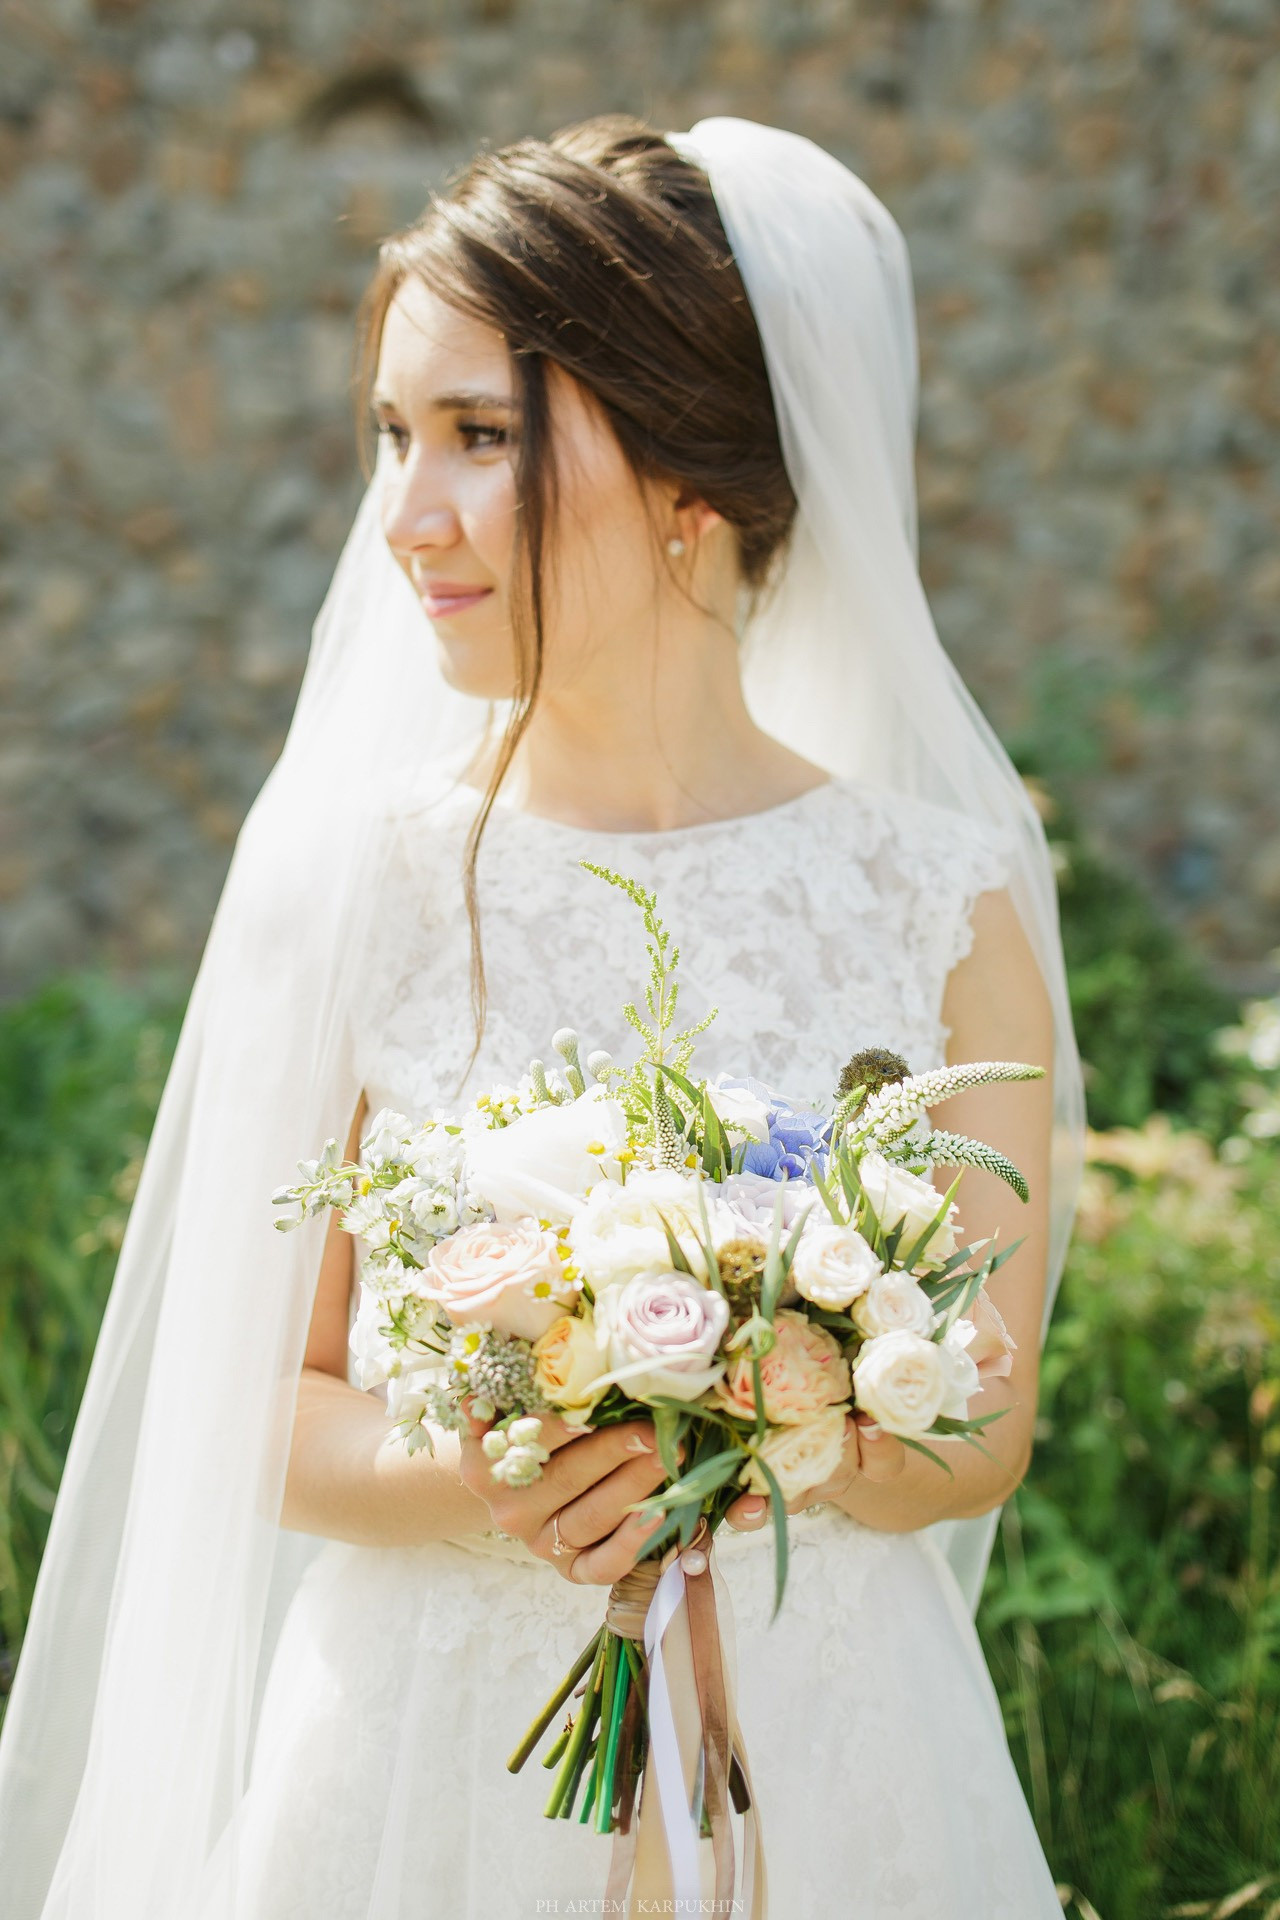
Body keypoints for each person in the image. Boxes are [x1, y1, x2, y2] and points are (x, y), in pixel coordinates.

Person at [0, 113, 1086, 1918]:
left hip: (840, 1763)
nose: (404, 517)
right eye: (393, 437)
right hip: (423, 1775)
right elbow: (250, 1402)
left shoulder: (943, 905)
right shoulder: (356, 885)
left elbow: (979, 1434)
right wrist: (484, 1466)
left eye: (481, 437)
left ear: (691, 479)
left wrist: (769, 1408)